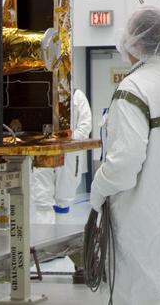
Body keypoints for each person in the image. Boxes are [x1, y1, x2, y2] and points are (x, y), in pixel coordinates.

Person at [90, 7, 160, 304]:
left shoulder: (134, 89)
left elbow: (125, 164)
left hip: (147, 229)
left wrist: (98, 190)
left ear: (136, 42)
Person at [31, 88, 92, 225]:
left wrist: (66, 142)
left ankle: (60, 239)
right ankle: (44, 240)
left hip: (69, 153)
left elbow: (85, 126)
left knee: (64, 199)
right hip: (44, 151)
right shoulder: (42, 94)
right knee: (42, 199)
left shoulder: (77, 96)